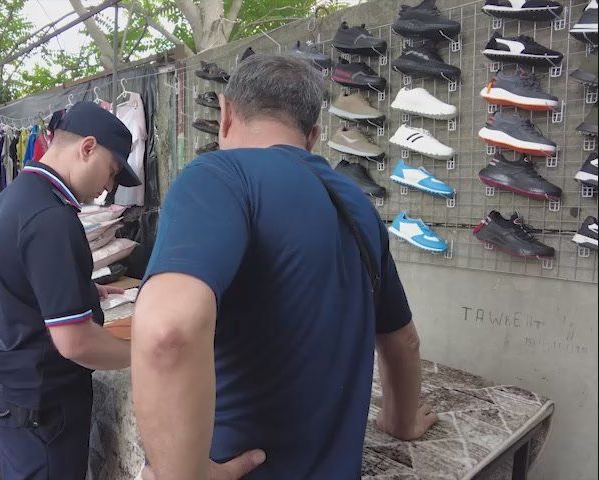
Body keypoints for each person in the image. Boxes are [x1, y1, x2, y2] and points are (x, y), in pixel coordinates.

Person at [132, 53, 437, 480]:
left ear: (225, 113)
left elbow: (168, 332)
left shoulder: (219, 176)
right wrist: (401, 421)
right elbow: (403, 341)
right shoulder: (359, 206)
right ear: (312, 136)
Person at [0, 101, 141, 479]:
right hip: (45, 407)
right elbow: (75, 343)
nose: (108, 188)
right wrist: (144, 355)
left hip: (15, 396)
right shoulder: (52, 217)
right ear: (88, 148)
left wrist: (74, 289)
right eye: (112, 171)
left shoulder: (12, 198)